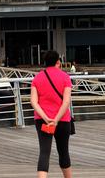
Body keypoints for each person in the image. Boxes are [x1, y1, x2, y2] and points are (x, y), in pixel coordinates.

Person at [30, 50, 73, 178]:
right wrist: (56, 119)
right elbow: (66, 102)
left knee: (44, 152)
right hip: (63, 120)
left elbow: (33, 101)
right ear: (58, 62)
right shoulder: (65, 77)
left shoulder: (37, 78)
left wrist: (46, 118)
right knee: (63, 152)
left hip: (43, 121)